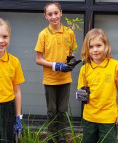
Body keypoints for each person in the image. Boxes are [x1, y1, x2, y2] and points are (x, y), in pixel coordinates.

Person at [34, 2, 80, 143]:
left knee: (62, 110)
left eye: (56, 13)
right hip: (50, 79)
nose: (53, 17)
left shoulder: (70, 33)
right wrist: (55, 65)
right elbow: (38, 59)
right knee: (52, 110)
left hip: (65, 79)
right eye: (50, 14)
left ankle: (61, 139)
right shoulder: (43, 35)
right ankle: (52, 138)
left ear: (61, 13)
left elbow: (71, 52)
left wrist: (70, 64)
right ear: (45, 16)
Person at [76, 28, 118, 143]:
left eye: (98, 45)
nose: (95, 50)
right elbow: (81, 92)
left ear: (106, 46)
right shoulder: (84, 69)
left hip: (108, 117)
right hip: (89, 117)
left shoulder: (115, 65)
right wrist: (81, 94)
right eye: (91, 47)